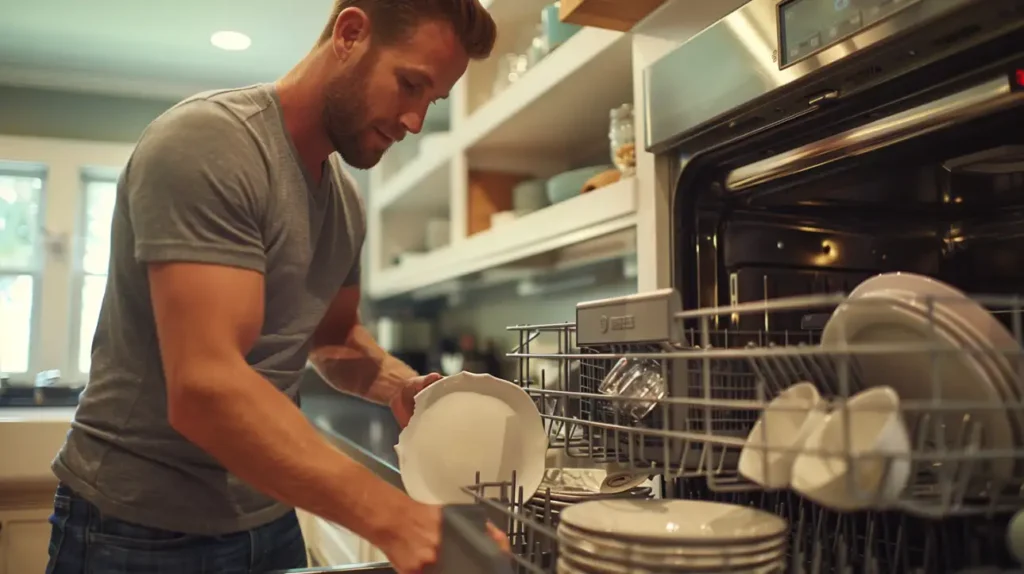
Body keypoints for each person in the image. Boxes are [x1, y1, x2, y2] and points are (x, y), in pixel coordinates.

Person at [43, 1, 503, 573]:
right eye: (409, 84)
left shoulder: (345, 204)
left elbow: (334, 337)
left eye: (429, 102)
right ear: (350, 33)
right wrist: (398, 519)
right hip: (136, 533)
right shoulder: (210, 143)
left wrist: (400, 387)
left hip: (268, 520)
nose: (413, 121)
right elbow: (207, 388)